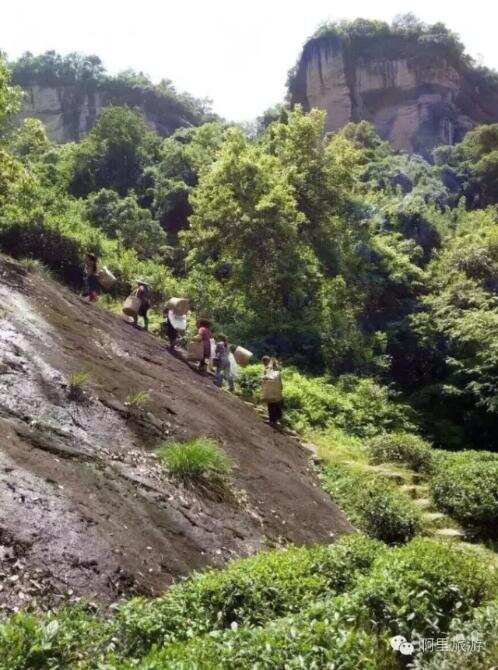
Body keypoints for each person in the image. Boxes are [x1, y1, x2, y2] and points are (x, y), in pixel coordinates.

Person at [262, 355, 283, 428]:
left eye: (264, 363)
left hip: (271, 390)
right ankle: (275, 421)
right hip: (276, 390)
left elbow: (266, 379)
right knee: (275, 405)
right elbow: (280, 380)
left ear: (266, 362)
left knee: (271, 405)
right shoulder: (276, 370)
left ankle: (272, 421)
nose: (264, 364)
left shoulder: (269, 370)